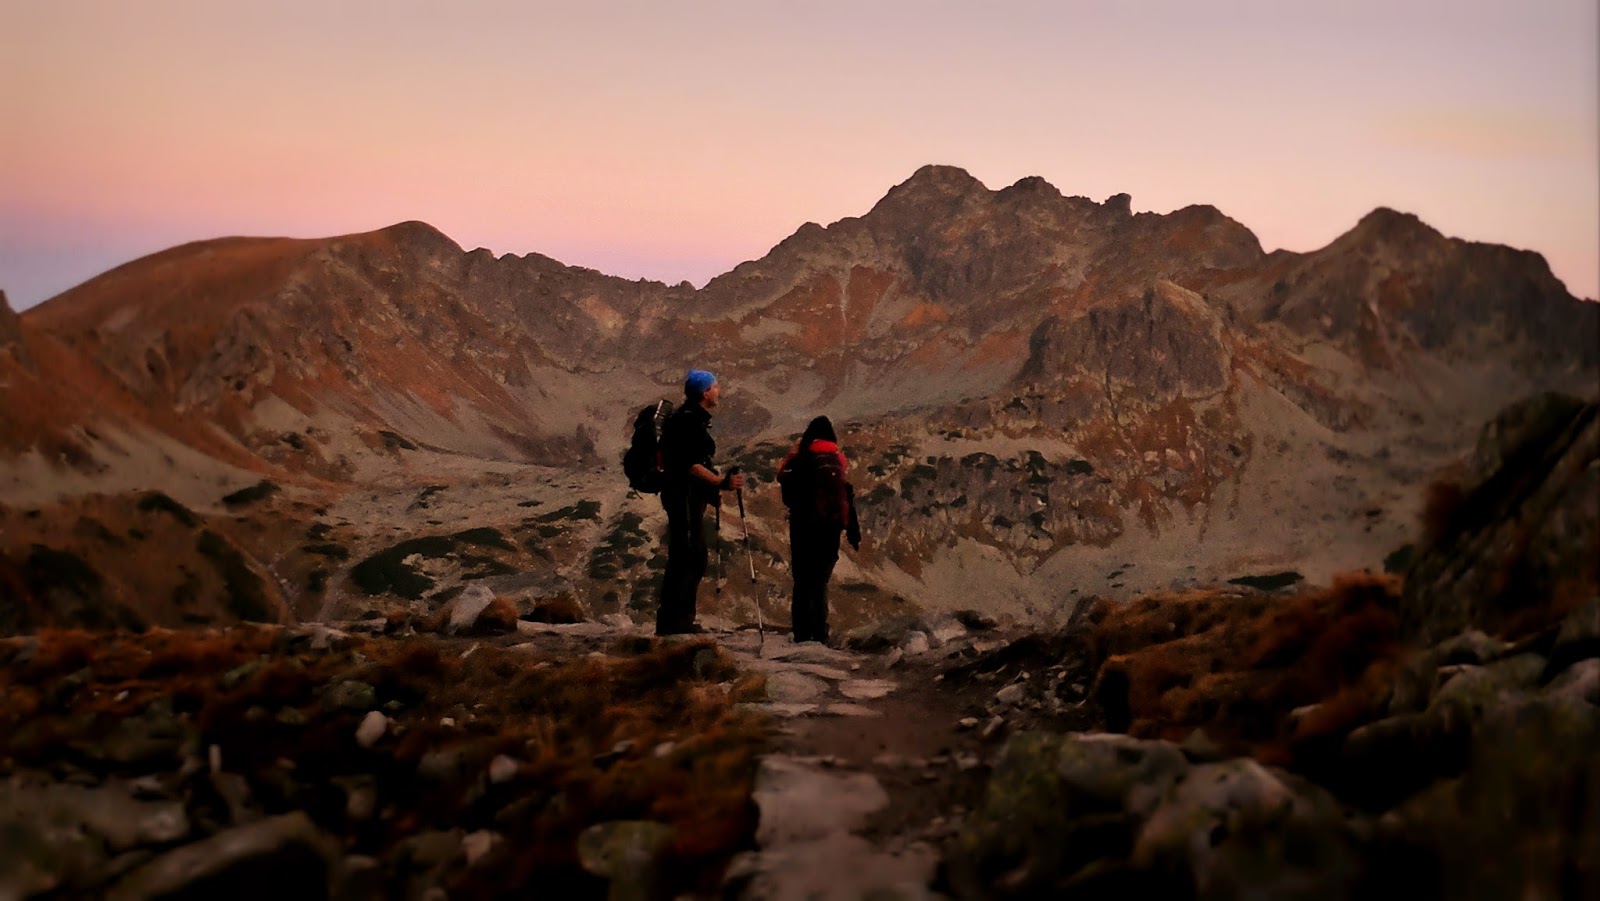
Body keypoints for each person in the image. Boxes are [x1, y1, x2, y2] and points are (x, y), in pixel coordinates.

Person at [655, 368, 744, 636]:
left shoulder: (690, 419)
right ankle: (675, 625)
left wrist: (710, 490)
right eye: (715, 387)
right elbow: (689, 464)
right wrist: (720, 483)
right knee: (688, 555)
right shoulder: (689, 421)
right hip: (683, 495)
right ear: (705, 393)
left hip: (686, 495)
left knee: (690, 555)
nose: (718, 391)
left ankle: (678, 620)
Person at [776, 416, 862, 645]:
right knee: (820, 581)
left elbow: (783, 480)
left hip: (803, 526)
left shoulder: (802, 458)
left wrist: (793, 452)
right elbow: (845, 493)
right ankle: (820, 633)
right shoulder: (837, 458)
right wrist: (853, 531)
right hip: (830, 528)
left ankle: (803, 634)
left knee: (802, 580)